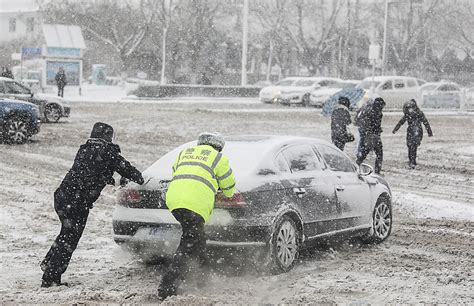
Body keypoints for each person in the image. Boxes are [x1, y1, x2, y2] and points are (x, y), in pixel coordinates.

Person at [40, 122, 144, 288]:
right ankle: (50, 278)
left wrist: (115, 180)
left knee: (66, 233)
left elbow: (92, 173)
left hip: (62, 198)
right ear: (108, 137)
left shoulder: (84, 149)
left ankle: (49, 263)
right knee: (70, 239)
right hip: (77, 202)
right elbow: (135, 175)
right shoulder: (109, 153)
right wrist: (138, 178)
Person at [158, 132, 235, 300]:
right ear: (219, 147)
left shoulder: (185, 153)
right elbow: (229, 189)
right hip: (195, 204)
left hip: (175, 199)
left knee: (197, 239)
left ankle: (203, 276)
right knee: (189, 243)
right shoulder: (218, 158)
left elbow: (176, 173)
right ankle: (168, 286)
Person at [392, 99, 433, 169]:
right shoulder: (419, 113)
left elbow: (401, 122)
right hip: (418, 131)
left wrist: (395, 129)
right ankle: (412, 161)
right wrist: (429, 132)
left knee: (411, 146)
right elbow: (426, 122)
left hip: (412, 131)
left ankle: (412, 161)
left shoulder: (410, 114)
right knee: (413, 146)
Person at [355, 97, 386, 174]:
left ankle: (357, 164)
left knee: (367, 151)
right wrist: (376, 129)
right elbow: (372, 124)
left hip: (371, 135)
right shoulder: (374, 112)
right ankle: (377, 170)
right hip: (372, 135)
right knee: (378, 153)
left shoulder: (371, 111)